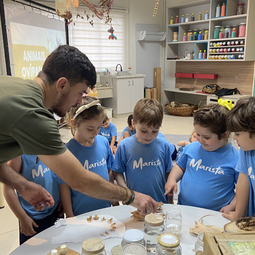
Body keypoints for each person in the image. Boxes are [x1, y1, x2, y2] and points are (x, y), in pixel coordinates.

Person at [0, 45, 158, 215]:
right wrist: (131, 197)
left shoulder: (13, 84)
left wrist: (21, 184)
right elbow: (79, 180)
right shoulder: (34, 115)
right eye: (80, 93)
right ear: (62, 85)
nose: (78, 102)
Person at [165, 104, 239, 212]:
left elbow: (243, 189)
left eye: (207, 137)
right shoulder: (191, 147)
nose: (200, 140)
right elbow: (180, 167)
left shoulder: (236, 158)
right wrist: (172, 179)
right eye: (198, 134)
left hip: (214, 214)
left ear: (224, 135)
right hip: (184, 209)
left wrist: (232, 206)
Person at [57, 97, 115, 217]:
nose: (95, 133)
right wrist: (69, 213)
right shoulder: (68, 151)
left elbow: (109, 171)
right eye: (90, 129)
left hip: (105, 209)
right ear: (74, 123)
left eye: (99, 127)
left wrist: (114, 197)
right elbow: (64, 185)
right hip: (81, 212)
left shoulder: (103, 142)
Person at [112, 98, 173, 204]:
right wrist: (127, 194)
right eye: (143, 130)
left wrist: (170, 201)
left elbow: (169, 174)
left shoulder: (164, 145)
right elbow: (118, 172)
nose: (149, 136)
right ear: (133, 123)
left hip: (159, 202)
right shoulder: (124, 146)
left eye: (155, 131)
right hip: (134, 204)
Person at [3, 156, 62, 244]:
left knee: (58, 246)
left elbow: (59, 176)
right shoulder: (18, 156)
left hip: (55, 210)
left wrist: (62, 200)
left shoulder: (50, 147)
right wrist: (23, 217)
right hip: (33, 218)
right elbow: (8, 189)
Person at [223, 97, 255, 221]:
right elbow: (243, 181)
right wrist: (239, 215)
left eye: (238, 134)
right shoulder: (245, 149)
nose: (235, 139)